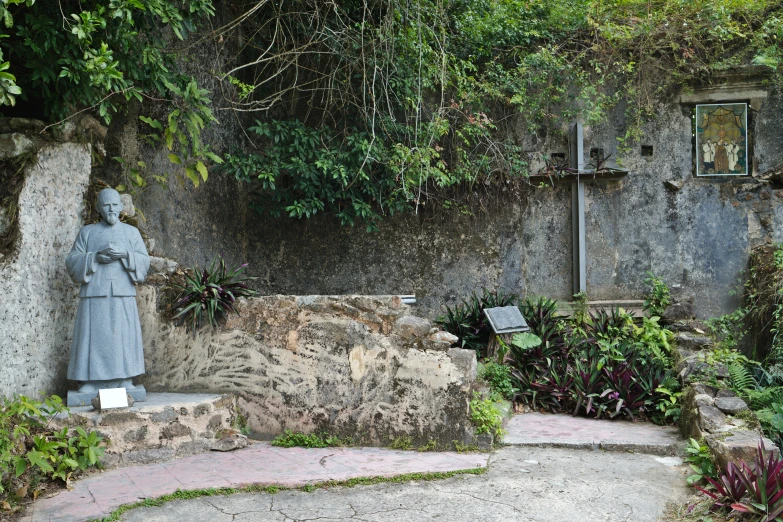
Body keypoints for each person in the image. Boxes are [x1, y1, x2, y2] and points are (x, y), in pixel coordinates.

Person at [65, 188, 150, 395]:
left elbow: (144, 261)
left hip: (123, 293)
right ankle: (90, 380)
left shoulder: (131, 233)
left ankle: (124, 378)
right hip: (94, 293)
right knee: (91, 336)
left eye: (115, 205)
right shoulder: (87, 232)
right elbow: (72, 261)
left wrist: (125, 254)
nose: (111, 209)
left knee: (123, 336)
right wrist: (94, 257)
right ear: (98, 208)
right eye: (106, 205)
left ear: (121, 207)